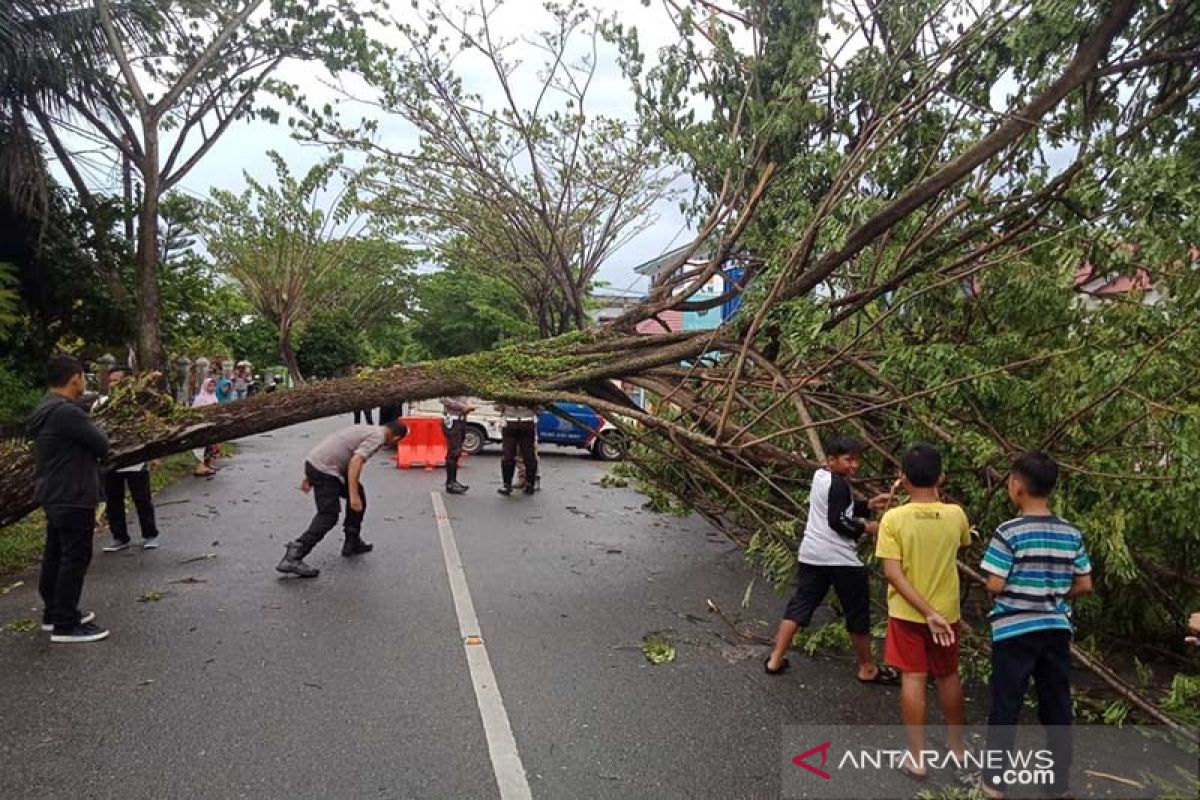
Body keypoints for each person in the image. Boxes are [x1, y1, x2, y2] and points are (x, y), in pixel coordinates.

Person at [974, 451, 1093, 799]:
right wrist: (1054, 592)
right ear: (1051, 488)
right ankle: (1057, 782)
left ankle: (994, 782)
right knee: (1056, 703)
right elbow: (1085, 584)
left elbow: (995, 584)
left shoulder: (1009, 532)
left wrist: (1013, 587)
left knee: (1006, 704)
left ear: (1016, 487)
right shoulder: (1071, 532)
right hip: (1055, 629)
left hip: (1014, 631)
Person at [764, 436, 898, 685]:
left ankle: (775, 659)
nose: (854, 465)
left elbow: (837, 508)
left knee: (801, 605)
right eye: (848, 460)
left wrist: (867, 504)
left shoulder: (820, 477)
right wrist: (869, 528)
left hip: (812, 554)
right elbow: (838, 521)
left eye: (856, 460)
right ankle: (867, 668)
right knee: (857, 613)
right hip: (840, 559)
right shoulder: (837, 484)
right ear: (831, 460)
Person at [875, 442, 972, 779]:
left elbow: (892, 572)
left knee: (913, 679)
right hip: (947, 614)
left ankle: (918, 758)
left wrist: (923, 610)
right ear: (941, 476)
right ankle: (958, 748)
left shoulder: (893, 519)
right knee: (948, 675)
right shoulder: (956, 515)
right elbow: (962, 544)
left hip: (906, 614)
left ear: (902, 478)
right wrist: (935, 612)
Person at [28, 356, 111, 643]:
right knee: (74, 557)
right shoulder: (67, 413)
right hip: (73, 492)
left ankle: (55, 614)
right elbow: (102, 444)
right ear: (75, 377)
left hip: (53, 491)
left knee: (56, 554)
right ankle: (66, 623)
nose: (85, 381)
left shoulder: (44, 408)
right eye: (83, 377)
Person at [276, 420, 408, 578]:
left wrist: (310, 477)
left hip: (316, 463)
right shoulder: (378, 437)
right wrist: (352, 496)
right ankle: (294, 555)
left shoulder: (368, 429)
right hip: (325, 470)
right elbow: (355, 462)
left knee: (360, 493)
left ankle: (352, 541)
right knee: (328, 515)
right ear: (395, 438)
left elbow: (337, 448)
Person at [98, 368, 161, 552]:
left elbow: (149, 430)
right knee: (113, 501)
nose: (113, 384)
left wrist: (153, 455)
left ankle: (150, 535)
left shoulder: (138, 404)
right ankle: (119, 537)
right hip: (112, 460)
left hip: (136, 460)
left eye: (117, 380)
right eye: (111, 381)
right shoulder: (102, 404)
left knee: (142, 500)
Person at [496, 402, 538, 496]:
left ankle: (508, 485)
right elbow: (541, 408)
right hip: (525, 422)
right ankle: (529, 484)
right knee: (528, 455)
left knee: (509, 455)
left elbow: (497, 407)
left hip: (513, 422)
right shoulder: (533, 390)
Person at [441, 396, 475, 494]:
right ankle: (450, 483)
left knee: (457, 451)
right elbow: (444, 399)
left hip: (461, 419)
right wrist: (462, 407)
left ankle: (453, 480)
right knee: (454, 451)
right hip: (452, 419)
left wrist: (469, 406)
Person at [191, 377, 220, 476]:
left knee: (210, 445)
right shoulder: (201, 398)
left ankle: (208, 463)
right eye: (209, 385)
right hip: (201, 424)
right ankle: (200, 466)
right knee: (202, 446)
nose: (212, 387)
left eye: (213, 385)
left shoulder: (214, 396)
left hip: (211, 424)